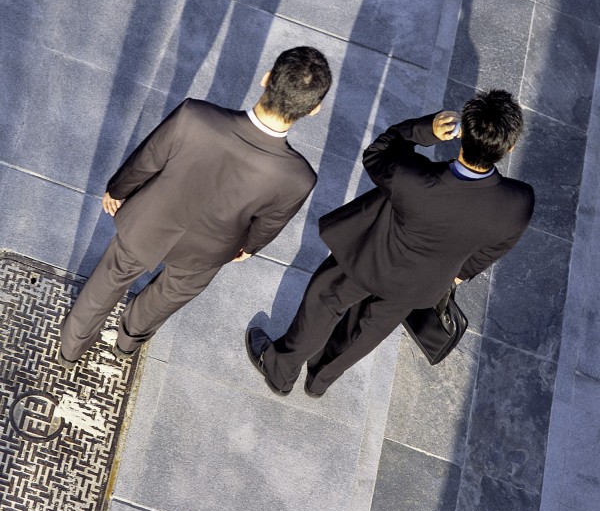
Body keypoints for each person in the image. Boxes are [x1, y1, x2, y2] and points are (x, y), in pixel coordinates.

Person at [246, 89, 535, 397]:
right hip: (421, 285)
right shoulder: (518, 201)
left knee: (325, 300)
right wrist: (460, 274)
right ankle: (319, 381)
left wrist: (427, 129)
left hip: (368, 259)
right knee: (368, 330)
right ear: (510, 146)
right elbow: (499, 245)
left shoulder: (413, 178)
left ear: (463, 132)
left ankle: (280, 370)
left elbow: (378, 152)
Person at [59, 46, 332, 368]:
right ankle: (128, 342)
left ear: (267, 78)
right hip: (209, 251)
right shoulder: (298, 177)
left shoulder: (195, 116)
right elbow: (269, 223)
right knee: (165, 298)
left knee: (107, 282)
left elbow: (147, 161)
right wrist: (250, 248)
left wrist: (118, 190)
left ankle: (70, 349)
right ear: (313, 109)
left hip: (148, 225)